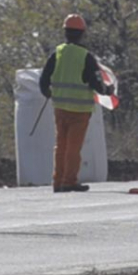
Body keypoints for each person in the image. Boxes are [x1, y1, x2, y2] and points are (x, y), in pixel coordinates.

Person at [39, 13, 114, 193]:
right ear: (82, 33)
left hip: (60, 108)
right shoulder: (85, 56)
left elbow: (43, 79)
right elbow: (97, 83)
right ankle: (69, 181)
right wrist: (108, 91)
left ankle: (57, 181)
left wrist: (47, 92)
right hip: (80, 110)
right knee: (74, 147)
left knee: (61, 146)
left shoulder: (57, 53)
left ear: (65, 32)